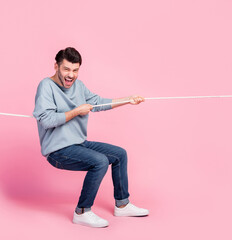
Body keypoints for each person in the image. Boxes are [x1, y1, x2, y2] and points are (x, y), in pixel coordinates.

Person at [33, 47, 149, 228]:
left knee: (120, 154)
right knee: (100, 161)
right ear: (56, 66)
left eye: (75, 70)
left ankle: (122, 204)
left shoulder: (78, 86)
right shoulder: (46, 86)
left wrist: (128, 99)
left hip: (79, 144)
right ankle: (82, 212)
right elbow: (46, 120)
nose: (70, 75)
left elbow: (98, 103)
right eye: (66, 69)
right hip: (57, 151)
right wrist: (77, 111)